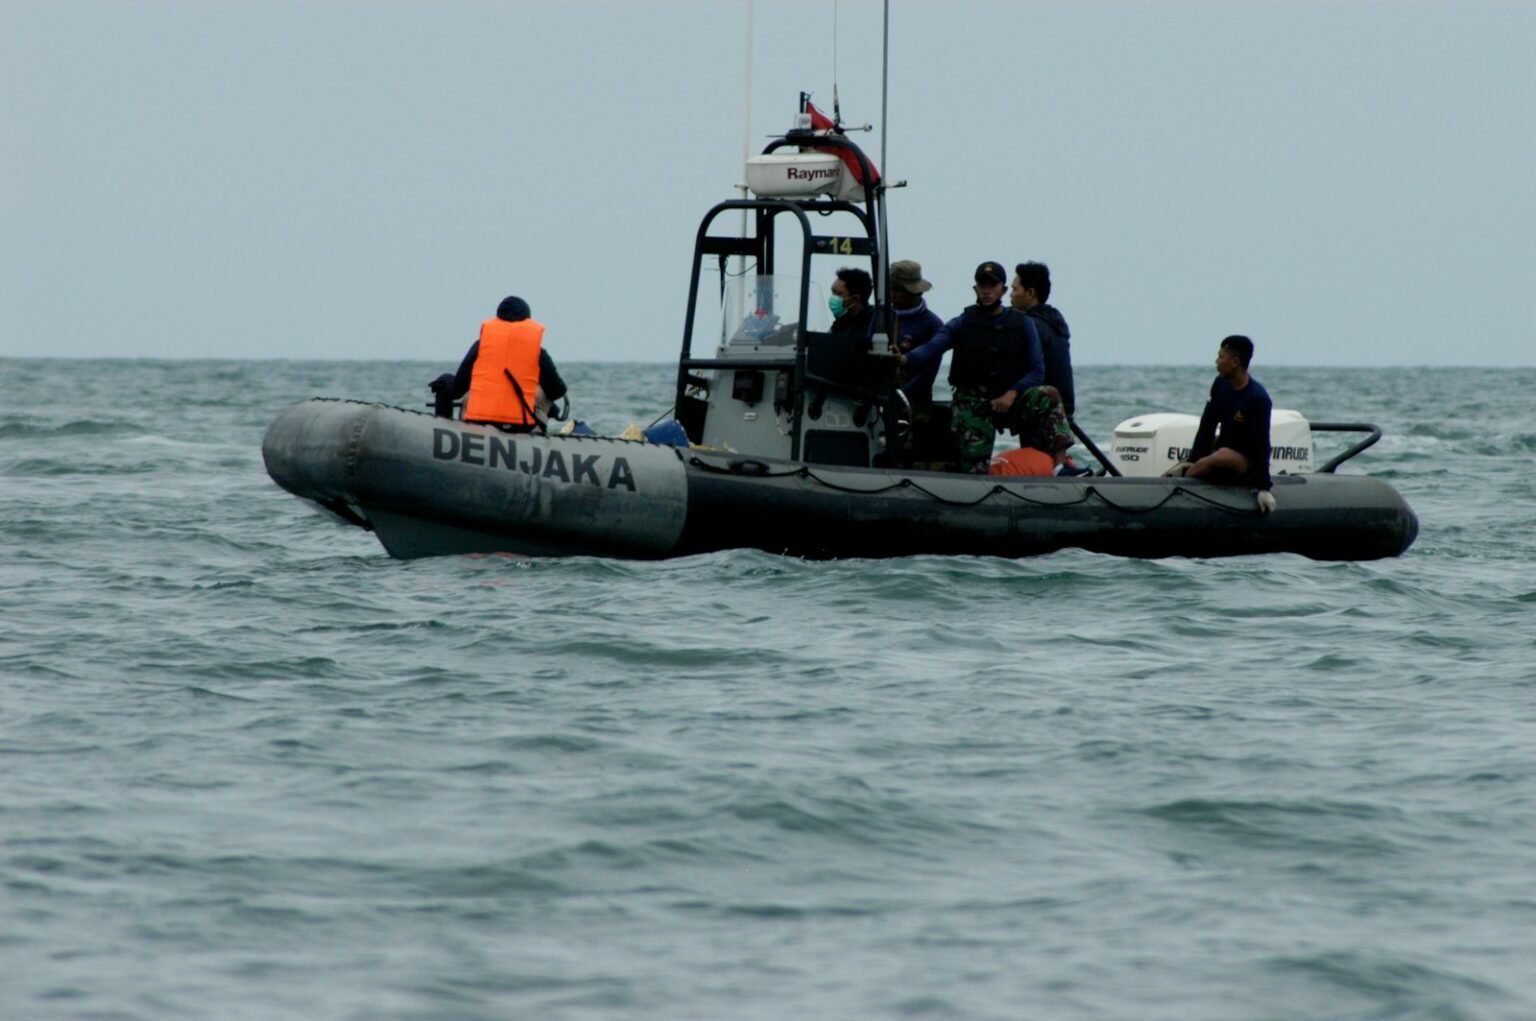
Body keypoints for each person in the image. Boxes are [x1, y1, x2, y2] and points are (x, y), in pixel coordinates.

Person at [901, 261, 1075, 473]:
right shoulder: (963, 322)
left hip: (1010, 399)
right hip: (974, 403)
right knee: (974, 468)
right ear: (975, 289)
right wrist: (905, 360)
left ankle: (1060, 465)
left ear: (1002, 289)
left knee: (1048, 394)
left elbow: (1036, 370)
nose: (986, 290)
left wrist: (1013, 393)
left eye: (992, 285)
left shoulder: (1023, 324)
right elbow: (932, 348)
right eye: (982, 285)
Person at [428, 295, 567, 431]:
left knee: (444, 382)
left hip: (478, 423)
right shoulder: (537, 352)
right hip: (520, 426)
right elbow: (557, 390)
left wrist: (446, 381)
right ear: (527, 321)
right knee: (542, 391)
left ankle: (442, 434)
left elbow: (457, 390)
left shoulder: (480, 346)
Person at [1180, 334, 1276, 513]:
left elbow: (1262, 443)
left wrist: (1264, 487)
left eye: (1220, 357)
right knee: (1211, 455)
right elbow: (1207, 427)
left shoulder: (1257, 398)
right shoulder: (1220, 385)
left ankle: (1183, 482)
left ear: (1235, 362)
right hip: (1220, 451)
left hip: (1246, 461)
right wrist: (1193, 460)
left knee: (1223, 455)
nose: (1216, 361)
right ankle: (1178, 476)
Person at [1010, 261, 1074, 419]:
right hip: (1064, 410)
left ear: (1030, 293)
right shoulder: (1053, 321)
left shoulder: (1031, 327)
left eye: (1014, 289)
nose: (1010, 295)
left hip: (1043, 409)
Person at [890, 259, 944, 408]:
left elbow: (928, 372)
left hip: (915, 406)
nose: (893, 295)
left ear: (915, 292)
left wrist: (899, 396)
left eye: (898, 290)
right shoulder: (879, 316)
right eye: (891, 288)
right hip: (877, 400)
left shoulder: (933, 324)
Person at [828, 266, 876, 337]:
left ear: (854, 299)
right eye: (833, 292)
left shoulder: (872, 324)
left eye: (838, 293)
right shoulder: (840, 323)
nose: (833, 297)